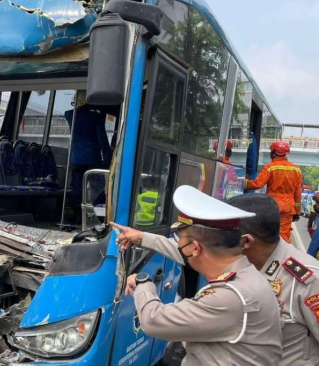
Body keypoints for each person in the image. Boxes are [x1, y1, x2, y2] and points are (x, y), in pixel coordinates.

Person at [113, 186, 282, 366]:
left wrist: (143, 283)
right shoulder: (247, 275)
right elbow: (184, 252)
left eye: (180, 239)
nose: (178, 245)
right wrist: (141, 237)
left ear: (195, 248)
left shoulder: (230, 296)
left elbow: (153, 320)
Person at [223, 194, 319, 366]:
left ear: (246, 241)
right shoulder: (240, 263)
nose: (219, 241)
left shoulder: (307, 280)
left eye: (224, 235)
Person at [64, 90, 112, 223]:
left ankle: (74, 216)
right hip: (92, 160)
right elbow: (102, 141)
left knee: (77, 188)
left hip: (75, 160)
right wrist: (108, 159)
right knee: (98, 189)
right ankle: (96, 217)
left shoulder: (69, 115)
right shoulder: (95, 118)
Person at [246, 141, 302, 243]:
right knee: (284, 236)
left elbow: (257, 184)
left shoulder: (270, 167)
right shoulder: (296, 170)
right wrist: (297, 212)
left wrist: (243, 183)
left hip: (272, 206)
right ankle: (282, 257)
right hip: (287, 208)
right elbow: (298, 193)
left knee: (267, 233)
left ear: (274, 153)